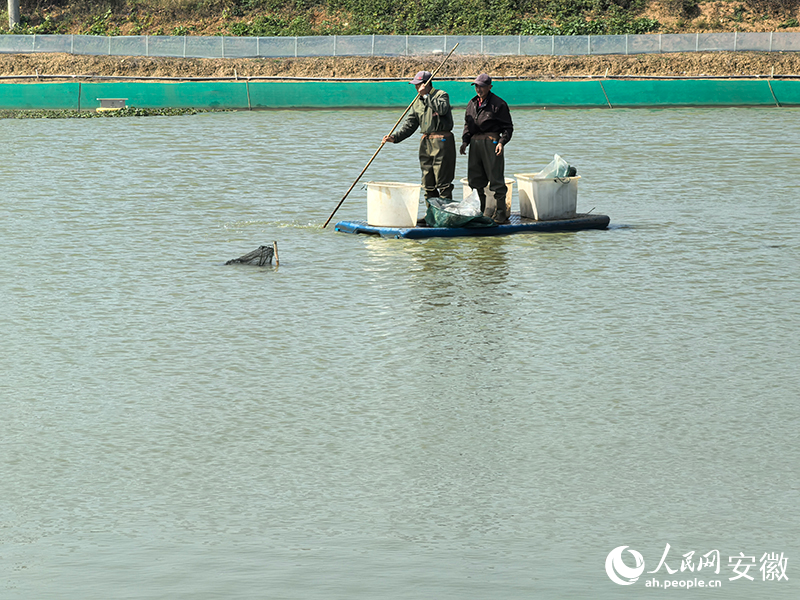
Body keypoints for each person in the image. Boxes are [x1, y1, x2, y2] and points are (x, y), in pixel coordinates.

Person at [383, 71, 456, 212]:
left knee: (443, 181)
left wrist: (426, 96)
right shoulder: (417, 102)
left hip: (442, 141)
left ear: (426, 84)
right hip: (426, 142)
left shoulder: (441, 95)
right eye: (415, 85)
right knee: (427, 181)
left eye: (418, 85)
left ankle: (445, 213)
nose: (416, 88)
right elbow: (410, 125)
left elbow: (442, 109)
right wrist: (395, 138)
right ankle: (431, 214)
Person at [460, 73, 514, 224]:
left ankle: (501, 212)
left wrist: (501, 142)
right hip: (475, 144)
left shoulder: (499, 104)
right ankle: (481, 211)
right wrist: (465, 142)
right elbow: (467, 125)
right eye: (476, 86)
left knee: (496, 179)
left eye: (482, 86)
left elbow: (508, 128)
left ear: (490, 87)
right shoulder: (472, 103)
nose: (479, 89)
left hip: (491, 143)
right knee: (475, 180)